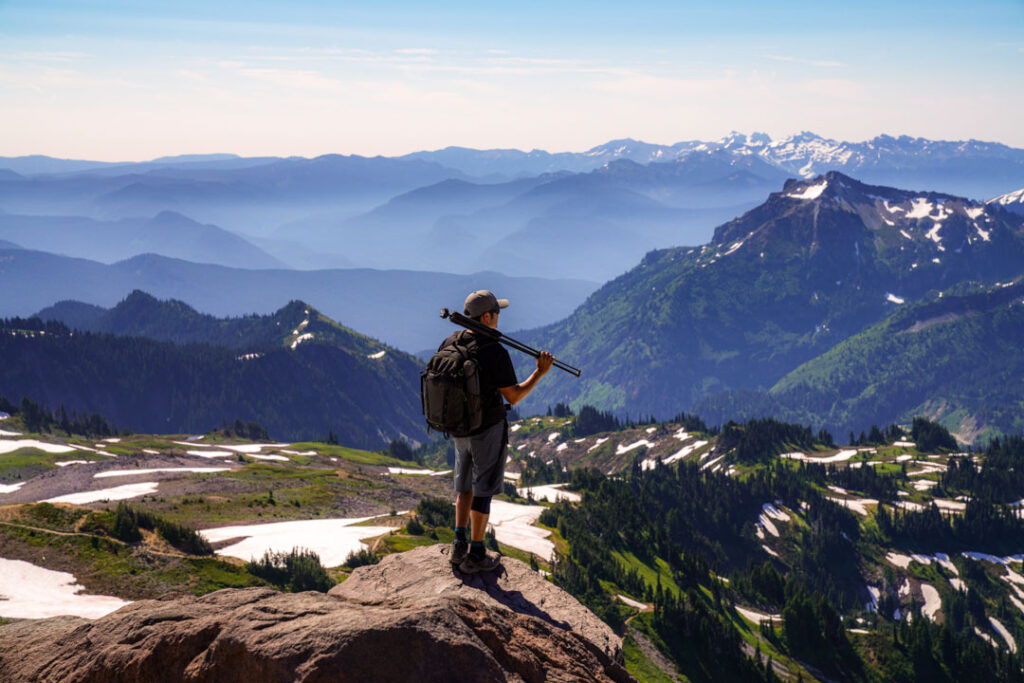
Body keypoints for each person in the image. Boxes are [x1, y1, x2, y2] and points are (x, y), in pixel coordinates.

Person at [449, 290, 554, 573]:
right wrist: (539, 373)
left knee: (464, 485)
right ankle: (477, 554)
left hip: (459, 428)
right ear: (487, 317)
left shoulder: (453, 342)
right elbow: (514, 396)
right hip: (487, 428)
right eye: (497, 313)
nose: (499, 317)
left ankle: (458, 543)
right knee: (483, 489)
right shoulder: (494, 350)